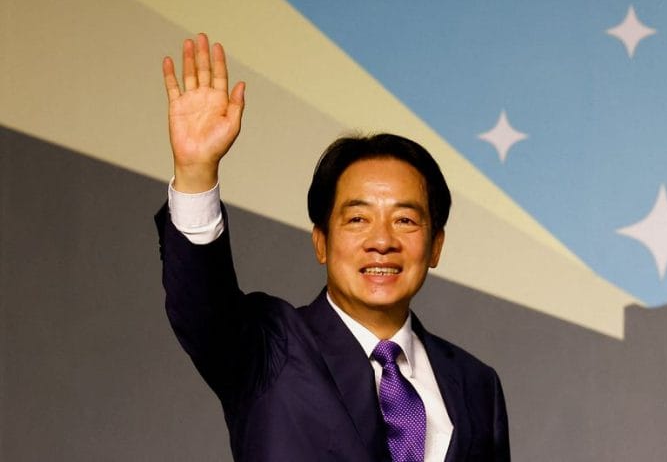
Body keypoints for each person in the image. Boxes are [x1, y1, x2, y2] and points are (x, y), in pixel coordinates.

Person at [156, 33, 510, 462]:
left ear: (436, 246)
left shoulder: (476, 384)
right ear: (321, 241)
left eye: (405, 220)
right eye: (358, 219)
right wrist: (196, 172)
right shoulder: (271, 348)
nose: (382, 241)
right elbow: (202, 307)